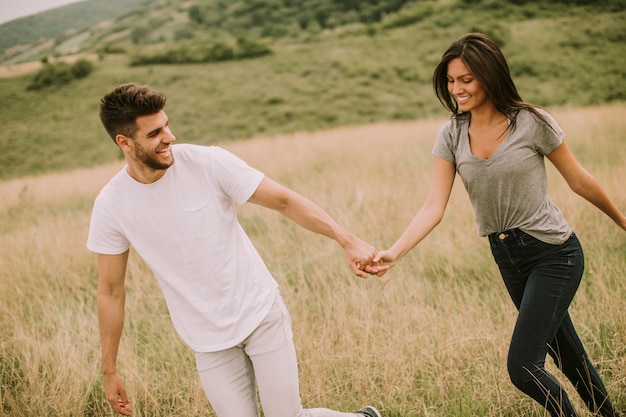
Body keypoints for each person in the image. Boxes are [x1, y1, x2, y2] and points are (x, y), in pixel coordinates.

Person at [87, 83, 384, 417]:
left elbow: (284, 201)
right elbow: (110, 290)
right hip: (206, 339)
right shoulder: (111, 205)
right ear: (124, 142)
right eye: (155, 133)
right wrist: (109, 370)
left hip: (259, 313)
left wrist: (347, 240)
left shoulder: (207, 162)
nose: (169, 137)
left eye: (167, 125)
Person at [372, 33, 625, 417]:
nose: (457, 88)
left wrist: (622, 220)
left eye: (467, 79)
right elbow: (432, 207)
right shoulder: (452, 134)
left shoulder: (531, 122)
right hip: (508, 258)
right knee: (569, 358)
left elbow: (579, 180)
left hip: (554, 253)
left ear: (490, 76)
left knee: (524, 368)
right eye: (452, 80)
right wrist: (394, 252)